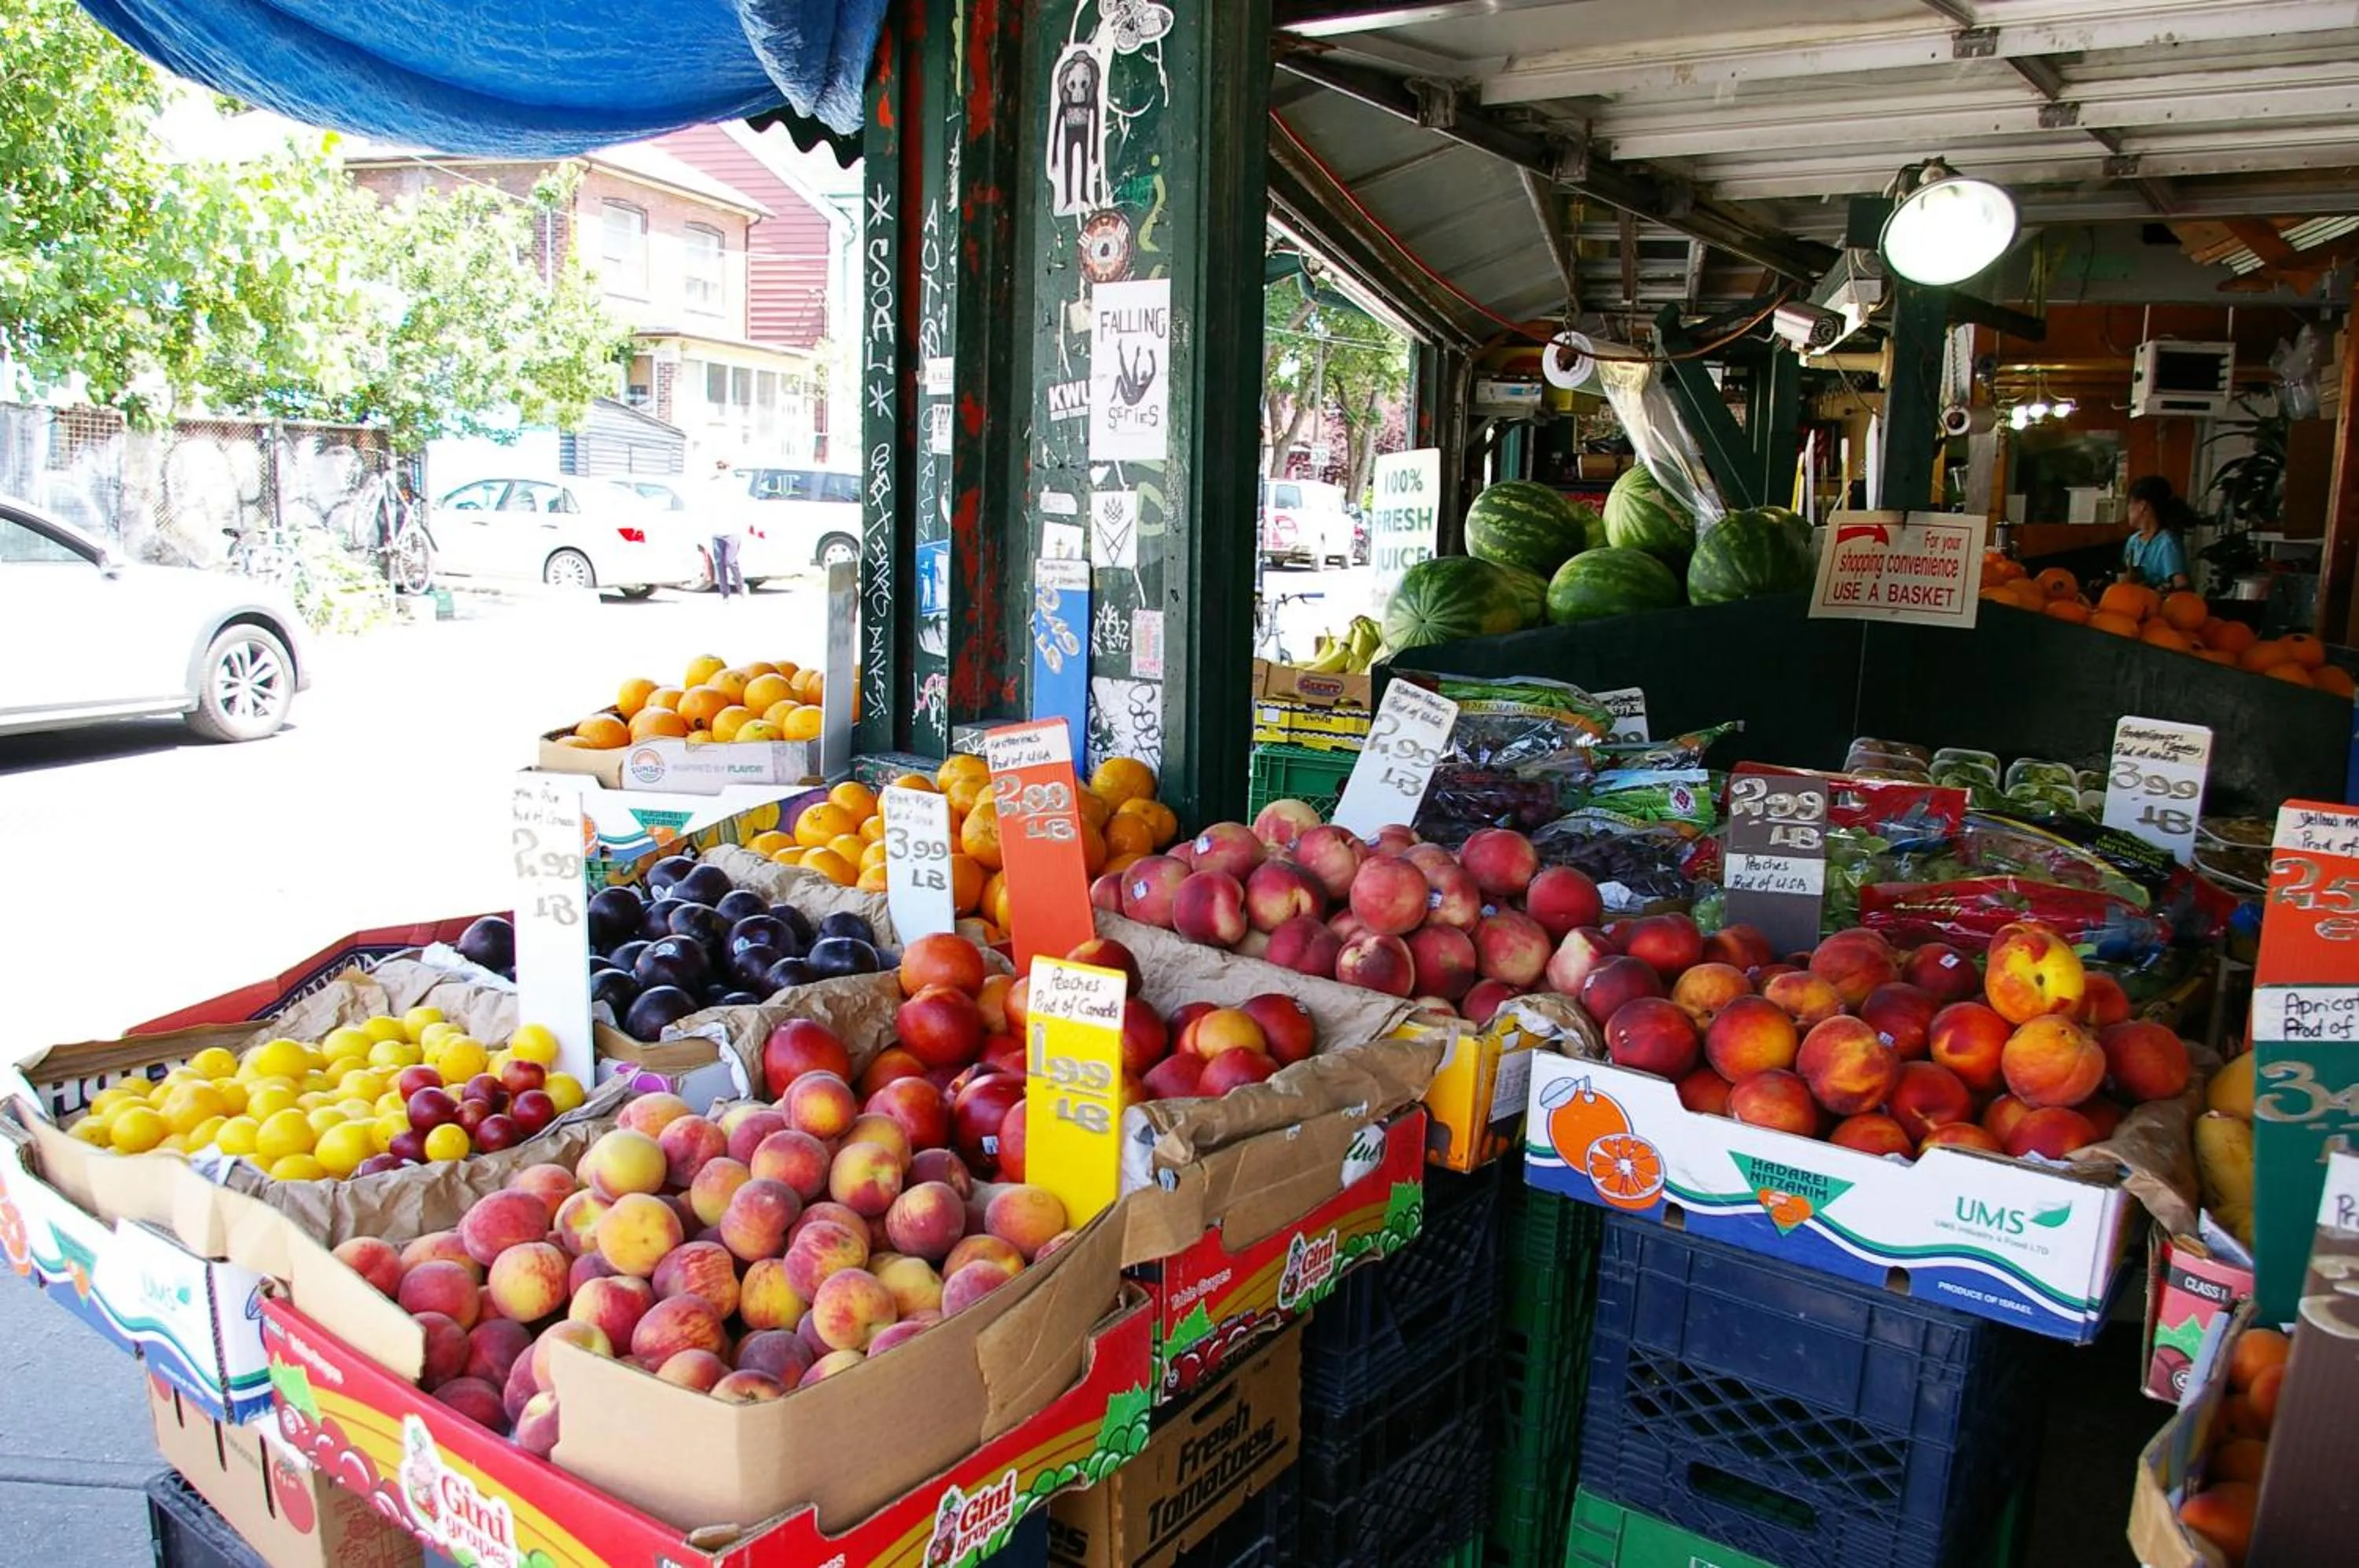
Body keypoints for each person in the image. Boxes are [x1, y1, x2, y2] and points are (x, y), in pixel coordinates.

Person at [2118, 474, 2192, 592]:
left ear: (2143, 506)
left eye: (2130, 503)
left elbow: (2182, 588)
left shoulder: (2167, 543)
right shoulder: (2133, 541)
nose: (2128, 509)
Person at [706, 458, 745, 599]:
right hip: (717, 530)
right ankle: (725, 594)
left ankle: (741, 587)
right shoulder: (713, 484)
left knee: (731, 561)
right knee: (719, 564)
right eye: (719, 467)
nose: (721, 470)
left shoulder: (735, 484)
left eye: (724, 467)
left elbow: (742, 505)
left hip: (732, 530)